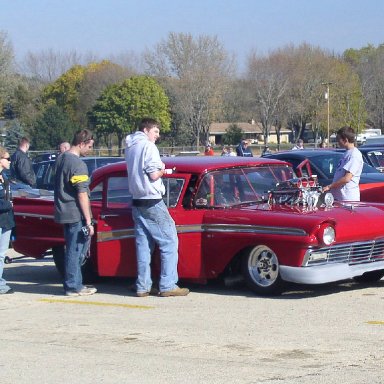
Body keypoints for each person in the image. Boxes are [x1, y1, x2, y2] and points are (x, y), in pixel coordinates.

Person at [125, 118, 189, 297]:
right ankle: (168, 284)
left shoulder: (130, 147)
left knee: (143, 244)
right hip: (152, 199)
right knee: (169, 241)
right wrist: (163, 169)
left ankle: (142, 286)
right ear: (146, 130)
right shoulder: (148, 147)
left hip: (136, 199)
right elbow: (153, 174)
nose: (157, 136)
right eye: (155, 131)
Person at [54, 129, 97, 296]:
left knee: (72, 248)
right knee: (76, 250)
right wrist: (88, 220)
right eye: (90, 146)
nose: (90, 150)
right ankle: (73, 286)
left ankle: (76, 284)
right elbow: (81, 193)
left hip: (62, 211)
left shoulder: (61, 159)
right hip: (75, 213)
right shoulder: (78, 164)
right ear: (81, 143)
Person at [323, 126, 363, 201]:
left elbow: (347, 178)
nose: (337, 142)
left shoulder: (354, 155)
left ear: (345, 140)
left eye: (339, 139)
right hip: (339, 197)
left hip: (348, 199)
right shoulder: (347, 153)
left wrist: (330, 186)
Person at [0, 146, 15, 294]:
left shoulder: (4, 177)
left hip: (5, 220)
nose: (10, 161)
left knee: (1, 254)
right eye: (7, 158)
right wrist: (7, 204)